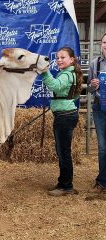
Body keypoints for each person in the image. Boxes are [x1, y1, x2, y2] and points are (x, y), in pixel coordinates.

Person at [41, 46, 83, 196]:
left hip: (65, 116)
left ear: (71, 59)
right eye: (57, 57)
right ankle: (63, 182)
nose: (59, 60)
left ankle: (66, 186)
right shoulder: (69, 73)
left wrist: (45, 72)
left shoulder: (66, 75)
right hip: (66, 114)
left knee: (64, 152)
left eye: (63, 57)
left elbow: (55, 86)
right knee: (63, 151)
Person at [87, 33, 106, 193]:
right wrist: (93, 85)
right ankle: (102, 181)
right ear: (101, 44)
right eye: (105, 42)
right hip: (99, 108)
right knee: (102, 146)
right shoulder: (95, 63)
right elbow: (90, 89)